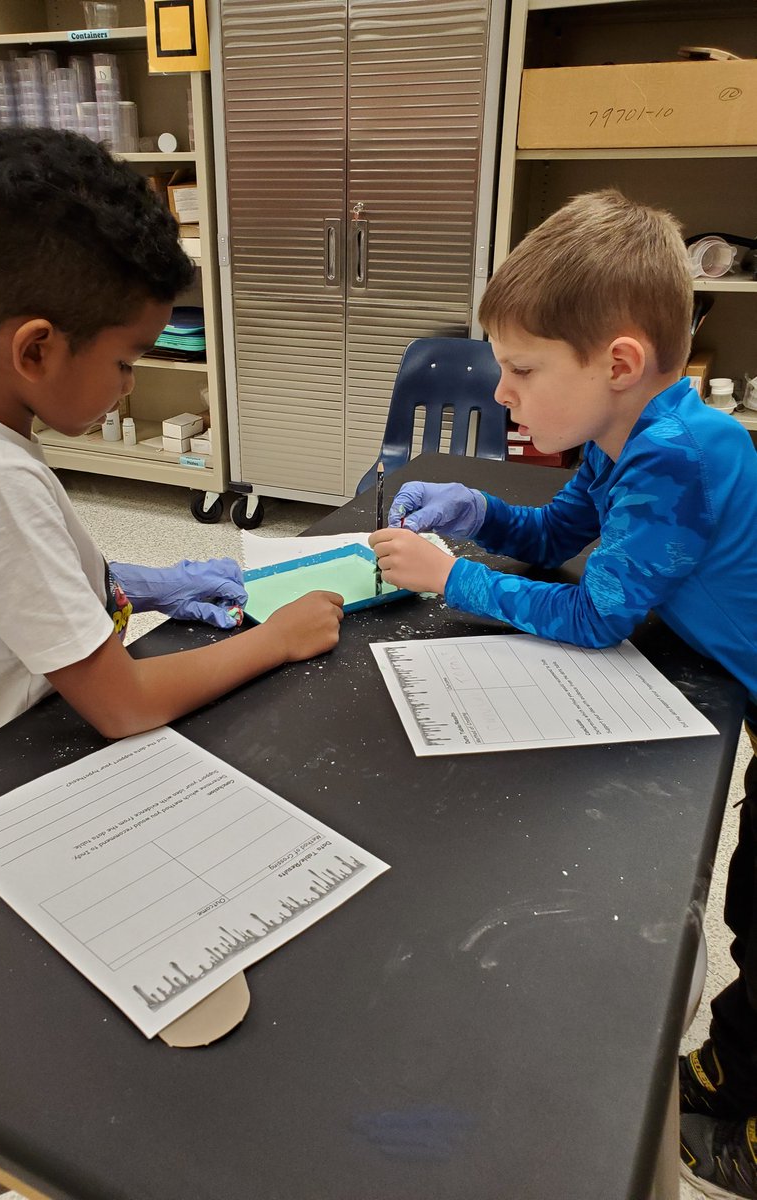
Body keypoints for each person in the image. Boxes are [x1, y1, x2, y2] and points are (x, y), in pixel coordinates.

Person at [368, 189, 757, 1198]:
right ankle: (730, 1072)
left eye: (523, 369)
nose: (501, 393)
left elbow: (597, 616)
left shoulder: (675, 456)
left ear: (618, 364)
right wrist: (479, 512)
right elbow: (555, 540)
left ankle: (747, 1128)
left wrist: (451, 577)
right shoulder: (622, 436)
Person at [0, 127, 343, 765]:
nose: (128, 386)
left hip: (33, 721)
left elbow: (7, 591)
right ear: (36, 349)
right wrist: (278, 639)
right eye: (124, 361)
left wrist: (135, 585)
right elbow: (124, 706)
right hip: (26, 770)